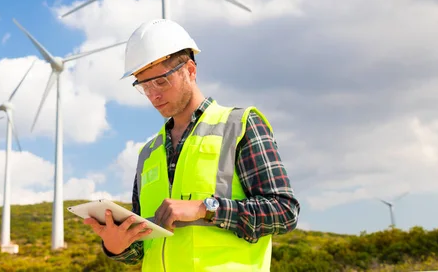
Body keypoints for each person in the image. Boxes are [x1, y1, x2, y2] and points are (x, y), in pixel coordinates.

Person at [83, 19, 300, 271]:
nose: (153, 95)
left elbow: (283, 211)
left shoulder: (239, 126)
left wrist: (204, 208)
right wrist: (116, 245)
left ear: (190, 71)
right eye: (144, 85)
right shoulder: (149, 153)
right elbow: (142, 248)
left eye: (161, 82)